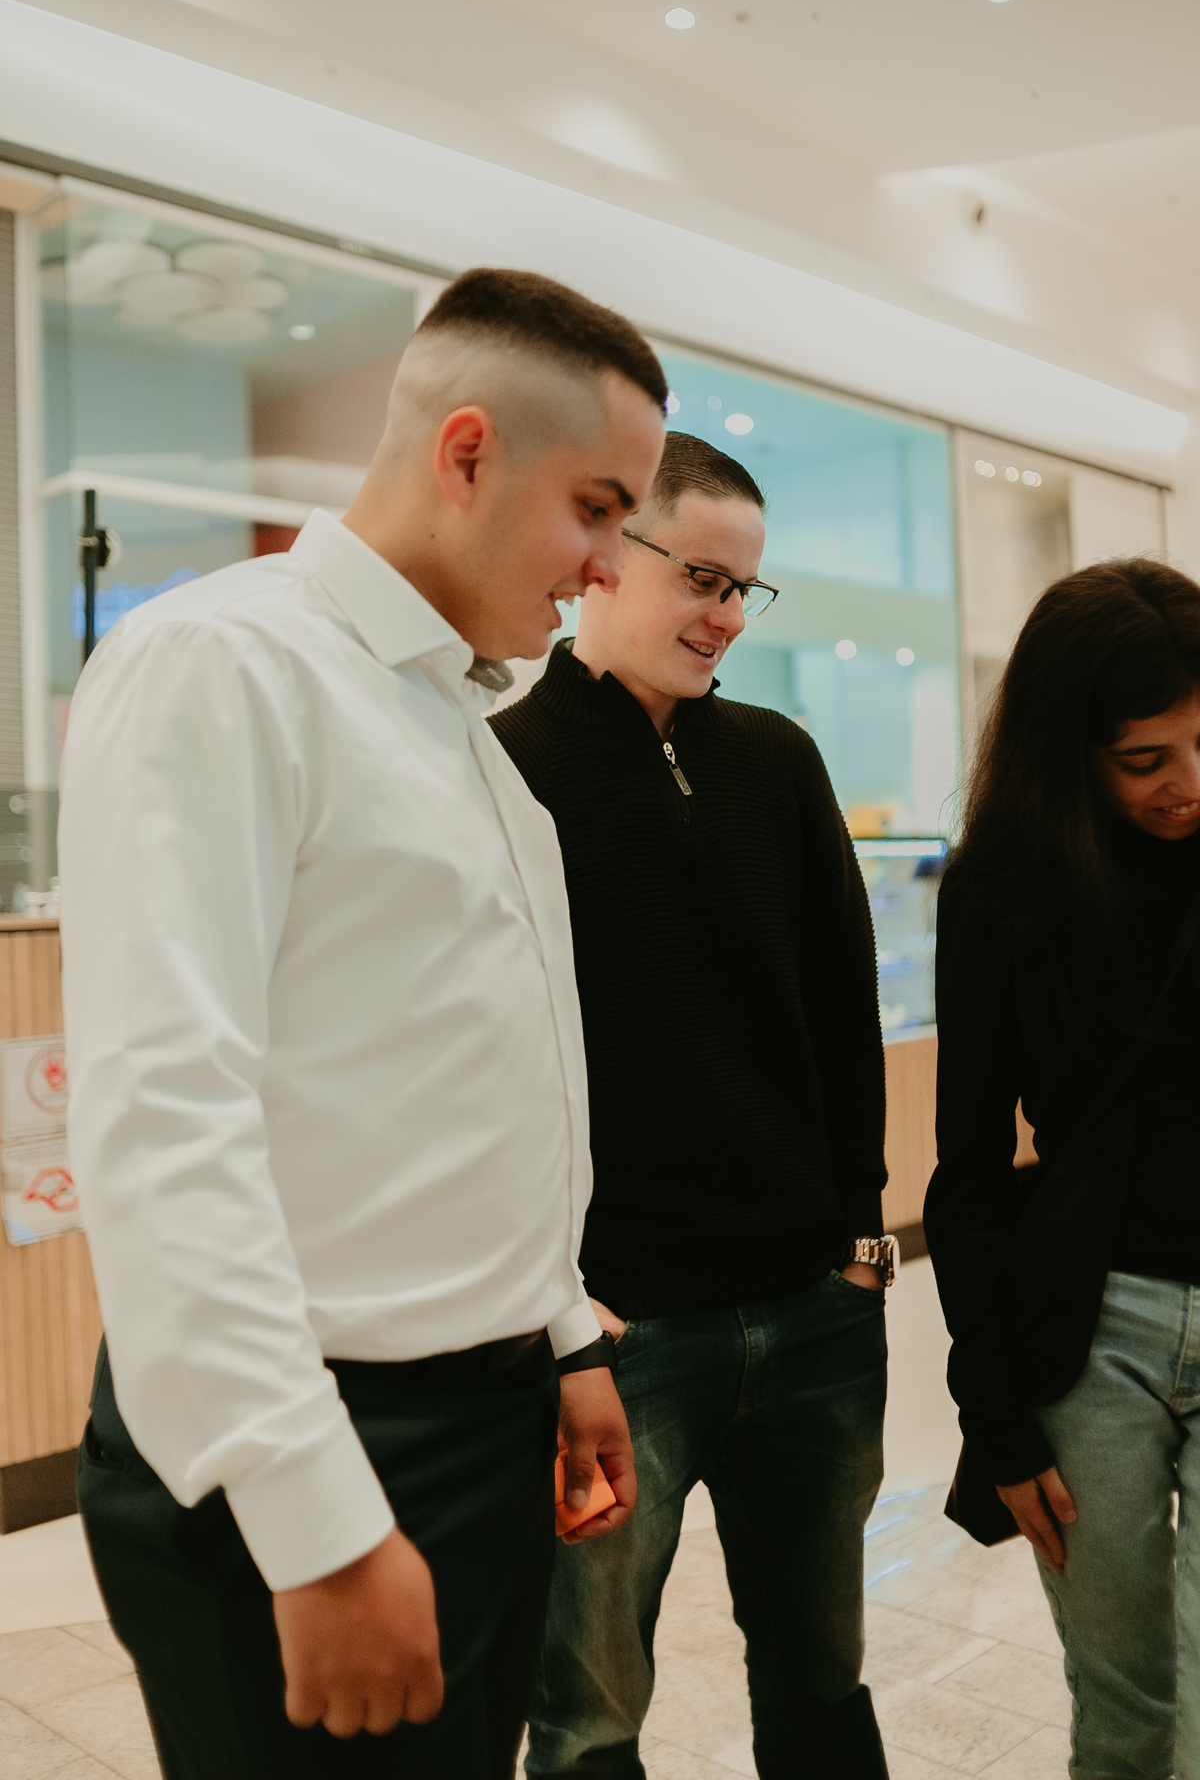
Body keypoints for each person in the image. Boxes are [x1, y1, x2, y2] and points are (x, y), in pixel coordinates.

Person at [58, 268, 669, 1779]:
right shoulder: (225, 663)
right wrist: (317, 1525)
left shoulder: (460, 721)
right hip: (315, 1434)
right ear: (467, 452)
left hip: (483, 1414)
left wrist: (560, 1334)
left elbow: (460, 1093)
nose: (608, 565)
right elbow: (164, 1115)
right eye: (597, 509)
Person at [489, 431, 893, 1780]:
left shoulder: (778, 761)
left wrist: (859, 1241)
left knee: (822, 1675)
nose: (726, 617)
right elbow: (485, 1066)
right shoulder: (501, 769)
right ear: (608, 556)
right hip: (621, 1338)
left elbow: (840, 1013)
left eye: (744, 590)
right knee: (589, 1714)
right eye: (703, 580)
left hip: (813, 1315)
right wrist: (559, 1309)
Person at [926, 559, 1200, 1780]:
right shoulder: (1003, 892)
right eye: (1146, 759)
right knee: (1125, 1708)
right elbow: (970, 1170)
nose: (1190, 783)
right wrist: (994, 1417)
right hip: (1089, 1336)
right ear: (1069, 753)